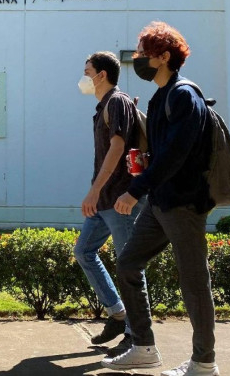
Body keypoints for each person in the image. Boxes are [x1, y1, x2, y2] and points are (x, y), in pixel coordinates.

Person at [102, 22, 221, 376]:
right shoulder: (159, 98)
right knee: (128, 264)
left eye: (144, 53)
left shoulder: (184, 96)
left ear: (164, 57)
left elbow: (176, 155)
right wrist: (143, 162)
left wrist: (134, 190)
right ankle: (144, 348)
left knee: (194, 281)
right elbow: (162, 154)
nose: (138, 58)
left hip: (184, 203)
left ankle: (204, 363)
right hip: (160, 201)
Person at [74, 51, 146, 357]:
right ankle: (118, 314)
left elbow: (117, 148)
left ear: (102, 75)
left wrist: (94, 191)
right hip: (105, 200)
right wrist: (96, 193)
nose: (84, 77)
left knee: (129, 265)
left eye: (87, 71)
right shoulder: (104, 106)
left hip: (120, 199)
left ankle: (136, 335)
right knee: (84, 251)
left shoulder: (117, 101)